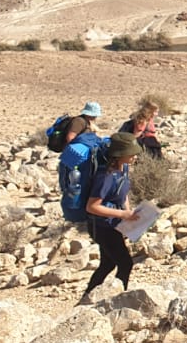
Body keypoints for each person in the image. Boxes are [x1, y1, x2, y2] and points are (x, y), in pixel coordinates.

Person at [83, 133, 141, 298]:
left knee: (107, 264)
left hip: (113, 224)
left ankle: (87, 297)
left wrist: (127, 217)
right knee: (125, 263)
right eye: (132, 153)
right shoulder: (106, 176)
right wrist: (123, 214)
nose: (135, 156)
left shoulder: (124, 169)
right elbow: (92, 206)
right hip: (102, 227)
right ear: (120, 154)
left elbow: (123, 194)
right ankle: (118, 298)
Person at [58, 114, 109, 223]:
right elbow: (70, 137)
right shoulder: (79, 122)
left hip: (77, 158)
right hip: (78, 158)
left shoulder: (86, 123)